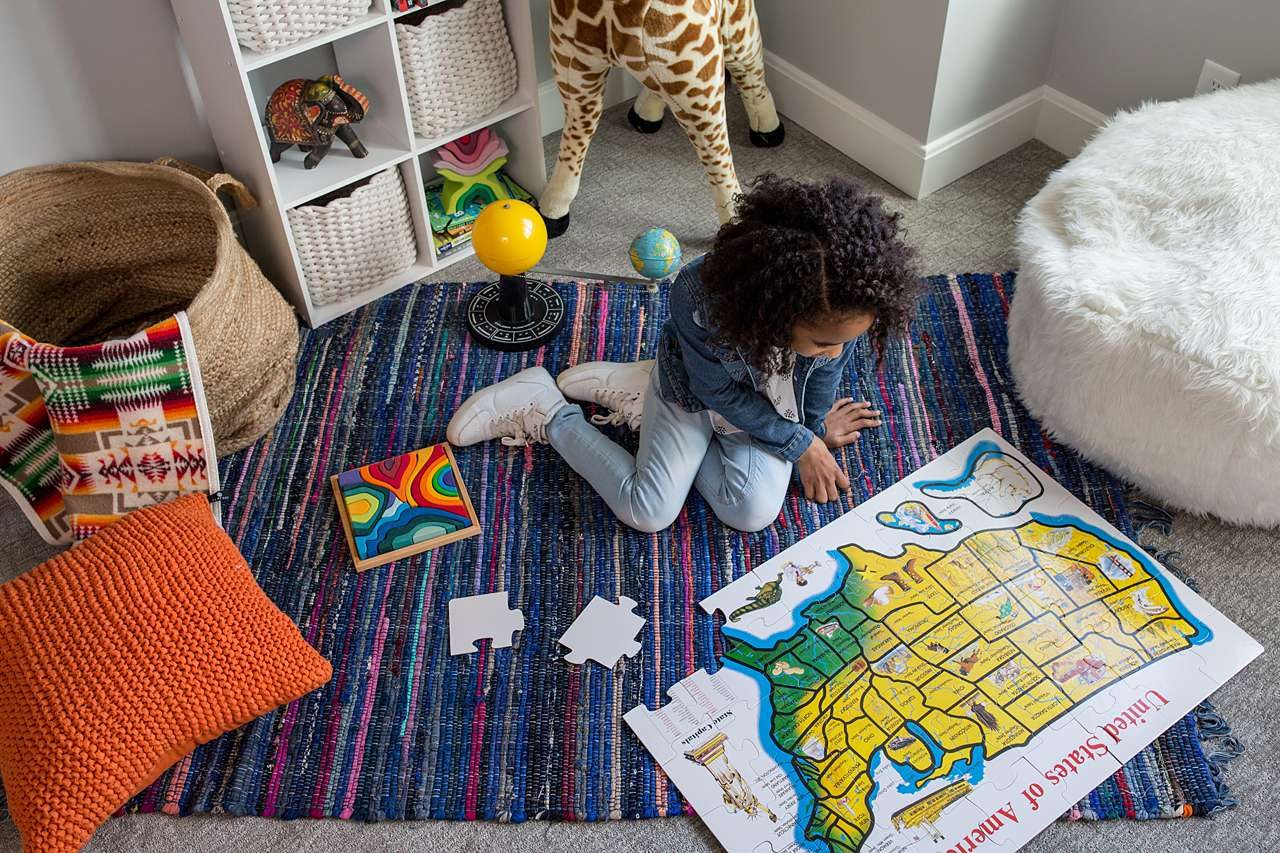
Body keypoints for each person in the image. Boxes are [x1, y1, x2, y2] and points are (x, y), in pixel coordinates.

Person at [447, 174, 921, 533]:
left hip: (762, 408)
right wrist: (801, 444)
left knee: (751, 513)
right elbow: (715, 389)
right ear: (779, 308)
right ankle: (546, 409)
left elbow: (820, 378)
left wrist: (812, 431)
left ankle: (637, 392)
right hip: (695, 390)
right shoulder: (701, 299)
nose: (836, 352)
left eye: (849, 339)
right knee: (648, 511)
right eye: (823, 342)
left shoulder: (841, 309)